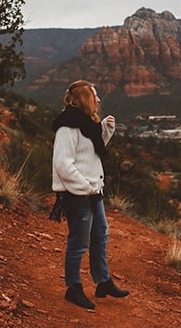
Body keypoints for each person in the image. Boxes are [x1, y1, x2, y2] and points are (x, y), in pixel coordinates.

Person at [50, 80, 129, 310]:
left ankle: (103, 282)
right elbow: (62, 164)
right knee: (79, 242)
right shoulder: (67, 128)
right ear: (85, 98)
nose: (98, 99)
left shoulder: (86, 124)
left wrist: (106, 130)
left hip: (93, 191)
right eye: (94, 95)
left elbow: (91, 152)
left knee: (100, 236)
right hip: (79, 193)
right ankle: (73, 288)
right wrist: (85, 186)